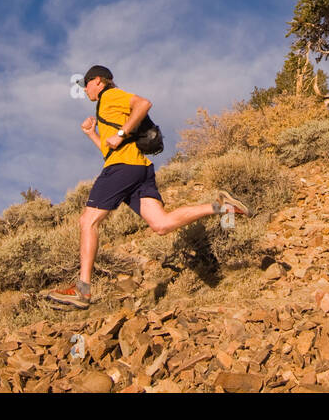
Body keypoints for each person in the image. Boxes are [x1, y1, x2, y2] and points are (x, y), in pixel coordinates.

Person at [46, 64, 252, 309]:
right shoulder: (105, 108)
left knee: (87, 221)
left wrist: (121, 133)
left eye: (87, 84)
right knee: (161, 224)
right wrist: (93, 134)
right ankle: (220, 206)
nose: (85, 90)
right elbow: (109, 149)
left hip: (122, 168)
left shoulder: (111, 95)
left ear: (99, 81)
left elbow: (143, 104)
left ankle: (83, 289)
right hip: (138, 168)